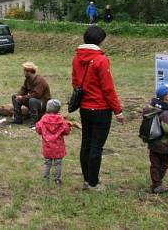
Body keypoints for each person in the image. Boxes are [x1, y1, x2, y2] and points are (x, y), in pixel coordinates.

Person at [71, 25, 124, 191]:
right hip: (100, 108)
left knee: (86, 144)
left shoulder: (76, 58)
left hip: (85, 108)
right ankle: (93, 183)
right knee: (96, 147)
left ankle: (87, 180)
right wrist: (118, 110)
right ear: (100, 41)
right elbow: (108, 88)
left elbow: (75, 83)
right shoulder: (101, 60)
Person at [143, 84, 168, 194]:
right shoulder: (166, 112)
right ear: (167, 97)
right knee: (163, 165)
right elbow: (167, 129)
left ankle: (156, 184)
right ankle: (157, 185)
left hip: (153, 142)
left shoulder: (153, 107)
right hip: (163, 145)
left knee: (155, 164)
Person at [35, 99, 72, 185]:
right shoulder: (61, 119)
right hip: (58, 147)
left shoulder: (44, 118)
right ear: (58, 109)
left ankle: (45, 178)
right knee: (58, 163)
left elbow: (38, 128)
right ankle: (57, 179)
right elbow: (66, 130)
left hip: (47, 147)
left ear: (47, 108)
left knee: (47, 163)